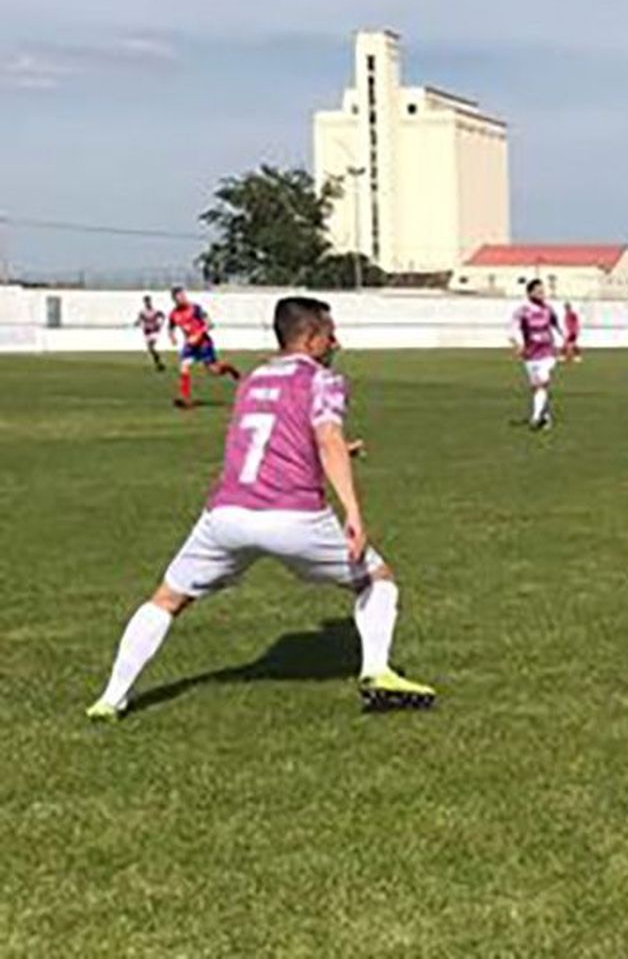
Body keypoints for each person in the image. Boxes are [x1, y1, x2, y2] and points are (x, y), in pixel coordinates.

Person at [85, 297, 436, 721]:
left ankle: (111, 698)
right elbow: (324, 438)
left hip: (227, 516)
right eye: (329, 332)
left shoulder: (254, 379)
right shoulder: (323, 379)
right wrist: (353, 512)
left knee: (167, 599)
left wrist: (341, 450)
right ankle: (377, 671)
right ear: (309, 338)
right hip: (294, 516)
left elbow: (274, 440)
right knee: (377, 579)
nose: (335, 340)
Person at [167, 288, 241, 408]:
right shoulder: (174, 314)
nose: (183, 298)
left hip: (203, 343)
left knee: (215, 371)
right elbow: (170, 327)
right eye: (179, 297)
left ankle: (230, 369)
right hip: (190, 346)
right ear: (174, 300)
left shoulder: (195, 309)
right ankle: (185, 399)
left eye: (183, 295)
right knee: (184, 366)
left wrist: (198, 334)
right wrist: (172, 337)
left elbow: (210, 324)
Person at [510, 280, 563, 429]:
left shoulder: (548, 309)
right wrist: (518, 344)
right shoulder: (522, 311)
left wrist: (564, 342)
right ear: (530, 293)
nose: (542, 294)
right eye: (538, 291)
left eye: (543, 291)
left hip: (548, 353)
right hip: (530, 354)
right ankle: (545, 417)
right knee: (537, 387)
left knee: (542, 382)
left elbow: (557, 326)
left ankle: (535, 417)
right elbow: (513, 329)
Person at [134, 295, 166, 372]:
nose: (147, 303)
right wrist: (136, 323)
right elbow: (139, 320)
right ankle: (159, 364)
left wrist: (160, 324)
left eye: (148, 301)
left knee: (151, 347)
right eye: (145, 301)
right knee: (150, 349)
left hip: (154, 331)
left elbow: (163, 316)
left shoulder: (155, 311)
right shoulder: (142, 312)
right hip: (147, 332)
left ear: (150, 301)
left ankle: (159, 365)